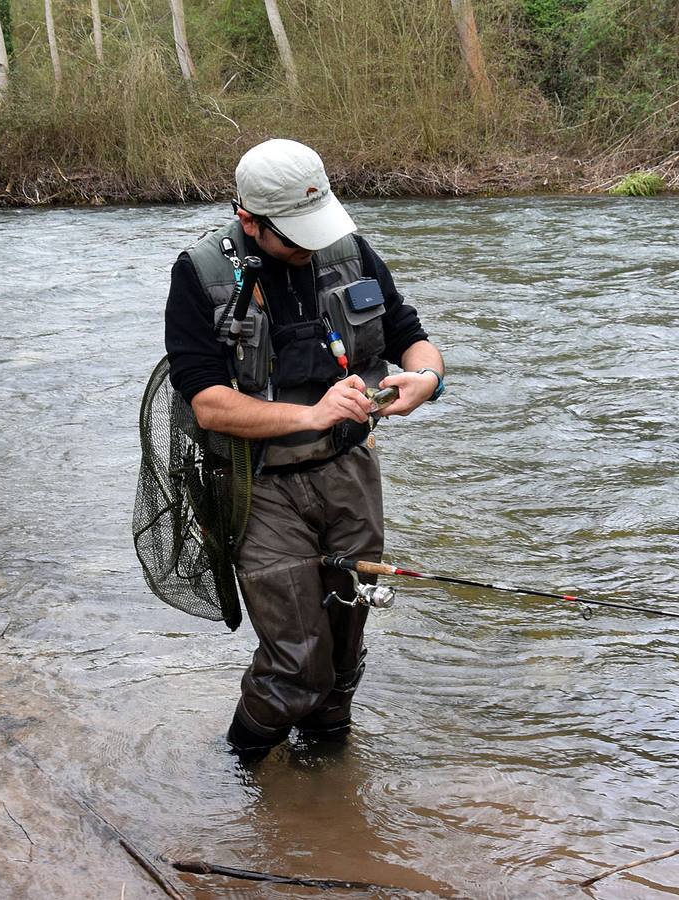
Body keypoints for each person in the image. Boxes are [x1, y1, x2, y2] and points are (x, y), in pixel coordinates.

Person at [164, 139, 445, 758]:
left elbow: (412, 338)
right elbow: (207, 402)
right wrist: (311, 413)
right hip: (256, 486)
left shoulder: (349, 248)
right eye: (294, 236)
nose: (311, 246)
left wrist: (426, 381)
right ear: (248, 219)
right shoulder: (201, 275)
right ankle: (239, 776)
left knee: (344, 655)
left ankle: (325, 804)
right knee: (298, 663)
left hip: (350, 475)